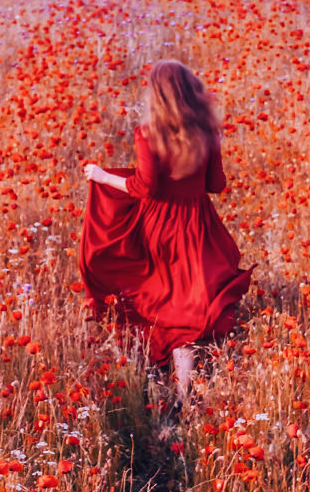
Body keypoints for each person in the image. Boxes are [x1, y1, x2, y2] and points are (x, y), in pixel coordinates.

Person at [80, 60, 252, 405]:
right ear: (191, 91)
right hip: (199, 226)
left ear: (156, 95)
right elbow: (216, 185)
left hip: (159, 228)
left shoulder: (148, 133)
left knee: (164, 303)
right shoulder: (205, 131)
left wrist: (101, 176)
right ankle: (185, 396)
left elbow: (144, 188)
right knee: (186, 307)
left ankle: (159, 384)